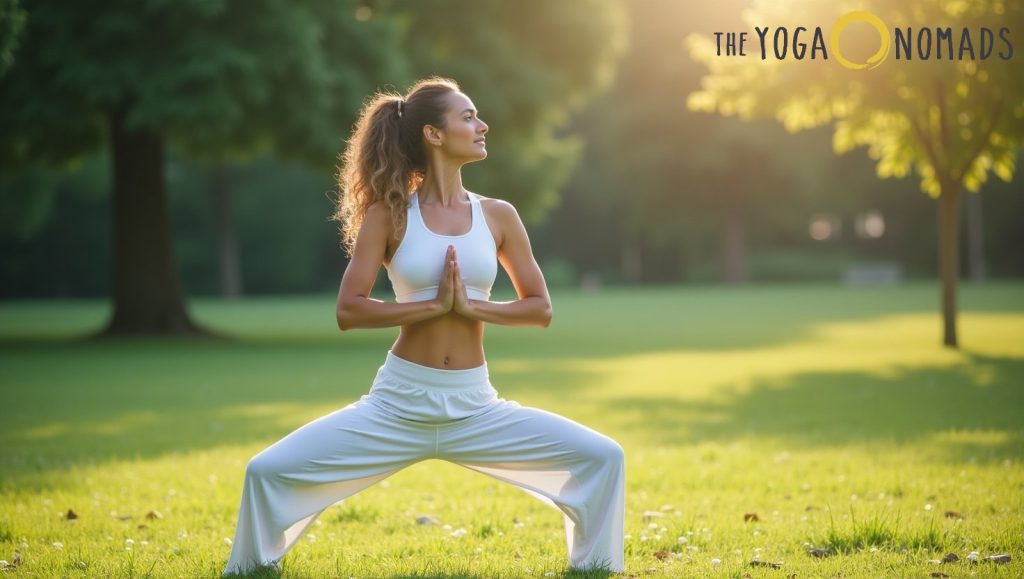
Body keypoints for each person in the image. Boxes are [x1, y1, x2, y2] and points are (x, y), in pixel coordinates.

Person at [222, 76, 625, 576]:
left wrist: (475, 308)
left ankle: (596, 566)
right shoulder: (387, 216)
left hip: (476, 406)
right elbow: (349, 310)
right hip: (398, 404)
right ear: (433, 134)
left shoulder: (497, 215)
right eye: (468, 116)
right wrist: (430, 307)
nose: (483, 126)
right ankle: (252, 567)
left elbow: (539, 308)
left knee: (603, 457)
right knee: (266, 472)